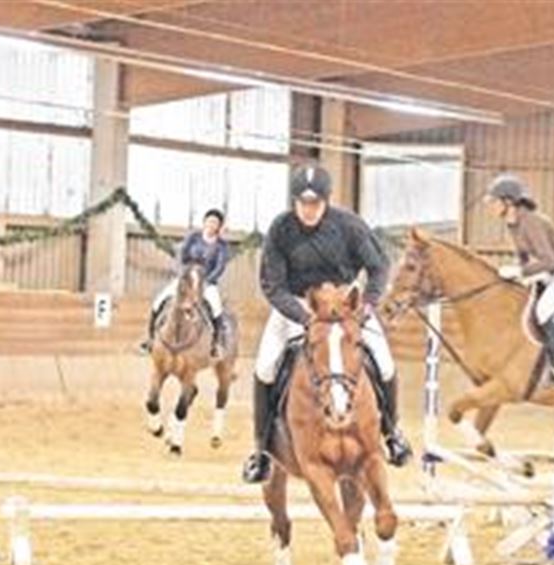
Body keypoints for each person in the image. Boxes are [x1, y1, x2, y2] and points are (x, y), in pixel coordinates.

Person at [241, 165, 413, 483]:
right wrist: (305, 317)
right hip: (297, 307)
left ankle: (391, 434)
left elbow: (378, 267)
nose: (308, 210)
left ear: (326, 201)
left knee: (384, 363)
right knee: (265, 367)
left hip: (344, 308)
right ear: (294, 202)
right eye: (303, 203)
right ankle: (261, 452)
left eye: (315, 203)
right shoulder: (281, 229)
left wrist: (368, 305)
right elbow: (272, 285)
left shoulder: (348, 226)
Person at [484, 173, 554, 383]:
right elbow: (523, 255)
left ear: (508, 202)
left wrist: (521, 272)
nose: (490, 206)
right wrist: (519, 272)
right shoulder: (512, 223)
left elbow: (549, 260)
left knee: (542, 310)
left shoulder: (531, 221)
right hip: (550, 269)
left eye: (494, 201)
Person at [140, 208, 229, 356]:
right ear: (204, 222)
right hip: (186, 278)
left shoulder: (221, 246)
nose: (211, 224)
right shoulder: (193, 237)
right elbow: (181, 256)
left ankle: (216, 343)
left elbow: (220, 267)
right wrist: (183, 275)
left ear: (219, 226)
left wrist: (207, 280)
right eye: (209, 221)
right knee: (159, 300)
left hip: (207, 282)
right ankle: (150, 339)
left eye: (215, 222)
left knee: (216, 307)